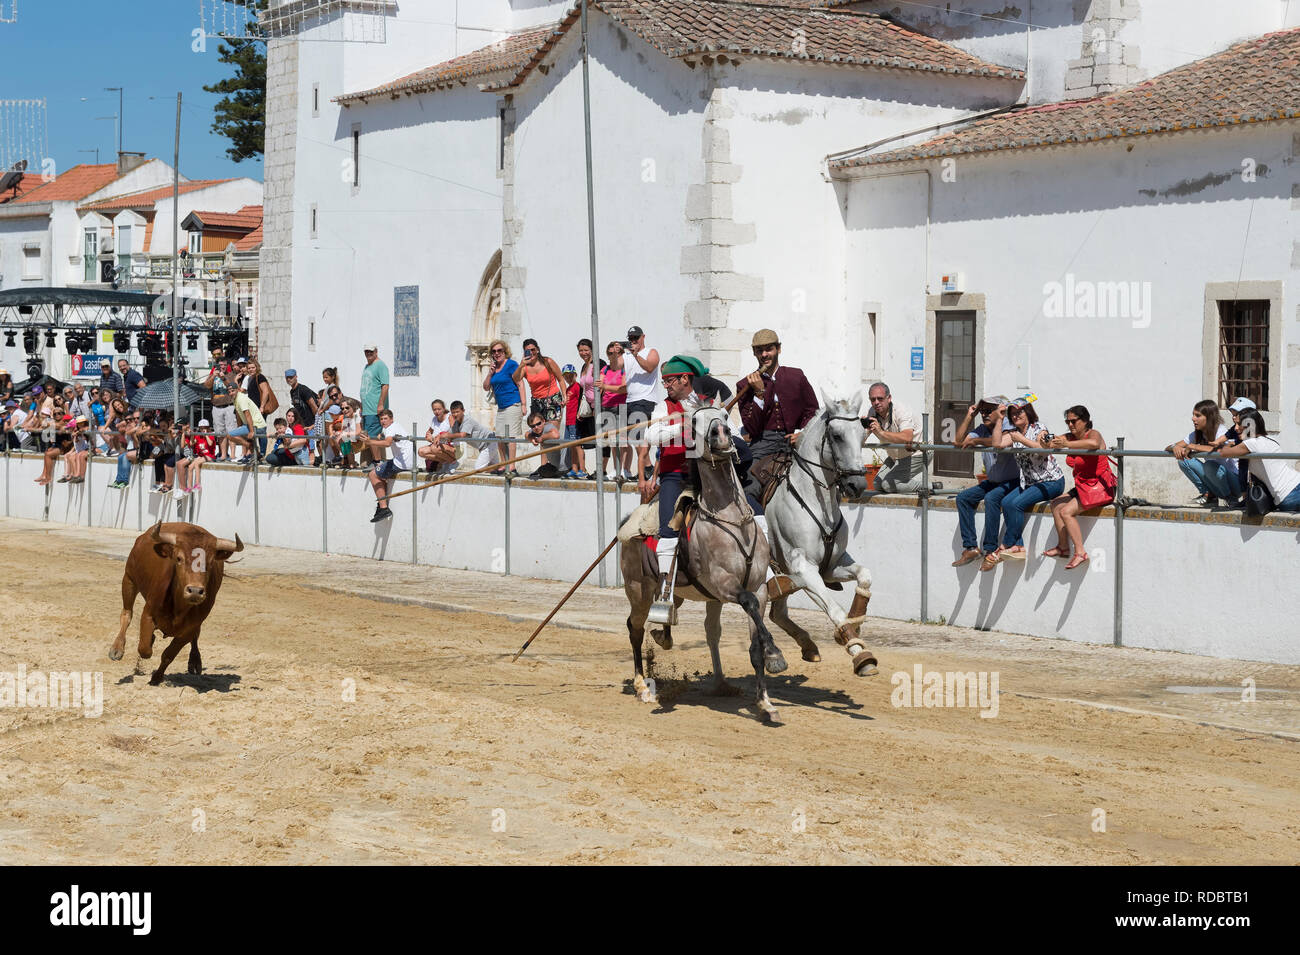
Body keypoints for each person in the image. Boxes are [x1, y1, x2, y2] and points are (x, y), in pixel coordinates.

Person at [639, 355, 708, 605]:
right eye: (664, 381)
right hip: (675, 477)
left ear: (684, 379)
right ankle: (666, 595)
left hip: (706, 477)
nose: (665, 386)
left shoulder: (706, 403)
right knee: (668, 531)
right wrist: (681, 426)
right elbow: (652, 434)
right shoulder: (662, 407)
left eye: (669, 381)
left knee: (749, 513)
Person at [734, 328, 818, 498]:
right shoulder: (744, 385)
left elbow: (812, 411)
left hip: (798, 441)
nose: (764, 354)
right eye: (759, 350)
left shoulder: (796, 376)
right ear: (754, 353)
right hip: (762, 445)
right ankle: (759, 523)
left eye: (769, 349)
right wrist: (759, 393)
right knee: (749, 489)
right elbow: (752, 427)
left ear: (778, 349)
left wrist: (802, 434)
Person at [990, 399, 1066, 569]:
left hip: (1051, 481)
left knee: (1016, 504)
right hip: (1031, 483)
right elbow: (996, 444)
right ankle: (1018, 546)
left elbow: (1043, 448)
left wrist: (1021, 440)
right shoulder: (1013, 433)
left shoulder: (1038, 428)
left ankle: (1007, 544)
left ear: (1028, 413)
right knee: (1006, 502)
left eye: (1020, 412)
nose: (1016, 416)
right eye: (1012, 414)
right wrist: (1000, 419)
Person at [1045, 405, 1116, 568]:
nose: (1070, 425)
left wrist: (1066, 444)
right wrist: (1048, 440)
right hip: (1083, 485)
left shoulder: (1093, 433)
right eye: (1067, 422)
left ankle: (1080, 552)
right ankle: (1063, 547)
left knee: (1066, 512)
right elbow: (1051, 444)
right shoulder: (1070, 437)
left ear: (1085, 421)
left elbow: (1093, 444)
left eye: (1074, 421)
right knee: (1055, 504)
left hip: (1099, 487)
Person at [952, 399, 1019, 567]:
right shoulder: (982, 429)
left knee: (991, 499)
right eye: (982, 411)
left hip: (1013, 481)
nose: (984, 414)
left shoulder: (1009, 426)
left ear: (1000, 411)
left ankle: (990, 550)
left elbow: (1001, 443)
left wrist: (978, 441)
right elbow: (958, 441)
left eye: (989, 410)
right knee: (963, 498)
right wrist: (969, 416)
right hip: (993, 480)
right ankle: (971, 547)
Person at [1218, 410, 1300, 511]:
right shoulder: (1271, 440)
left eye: (1239, 424)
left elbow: (1223, 453)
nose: (1235, 428)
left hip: (1288, 495)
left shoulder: (1251, 443)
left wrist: (1229, 444)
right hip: (1294, 485)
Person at [1166, 399, 1240, 507]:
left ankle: (1231, 499)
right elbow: (1168, 447)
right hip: (1216, 481)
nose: (1193, 418)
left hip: (1234, 483)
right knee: (1184, 460)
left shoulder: (1222, 432)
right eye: (1193, 415)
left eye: (1197, 415)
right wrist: (1175, 447)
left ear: (1209, 417)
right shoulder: (1197, 434)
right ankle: (1208, 495)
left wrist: (1193, 446)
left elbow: (1222, 450)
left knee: (1210, 465)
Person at [512, 338, 565, 471]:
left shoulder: (548, 362)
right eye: (528, 350)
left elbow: (561, 379)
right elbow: (515, 379)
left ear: (538, 349)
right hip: (537, 402)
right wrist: (520, 365)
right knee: (539, 432)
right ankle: (544, 466)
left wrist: (564, 396)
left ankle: (555, 465)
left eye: (533, 349)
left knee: (551, 432)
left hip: (553, 399)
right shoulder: (525, 367)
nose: (531, 352)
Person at [863, 381, 923, 492]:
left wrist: (881, 433)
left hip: (917, 452)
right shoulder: (872, 412)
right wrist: (859, 429)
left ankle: (929, 487)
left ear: (889, 398)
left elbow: (907, 437)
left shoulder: (901, 410)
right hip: (896, 455)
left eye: (880, 399)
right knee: (876, 484)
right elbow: (862, 439)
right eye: (873, 399)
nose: (876, 402)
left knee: (888, 485)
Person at [359, 408, 412, 522]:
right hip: (406, 461)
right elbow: (385, 436)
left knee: (373, 474)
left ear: (391, 419)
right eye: (381, 419)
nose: (383, 421)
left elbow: (387, 443)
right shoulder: (393, 427)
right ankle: (382, 502)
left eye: (385, 419)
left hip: (401, 463)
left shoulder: (391, 428)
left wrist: (369, 442)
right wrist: (380, 435)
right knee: (380, 471)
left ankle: (383, 508)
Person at [622, 325, 661, 470]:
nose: (633, 341)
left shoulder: (651, 352)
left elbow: (650, 367)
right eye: (630, 339)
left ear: (643, 337)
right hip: (630, 400)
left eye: (635, 338)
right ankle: (647, 466)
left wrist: (635, 355)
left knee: (638, 436)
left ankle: (648, 466)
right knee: (633, 437)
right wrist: (613, 353)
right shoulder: (626, 356)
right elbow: (615, 366)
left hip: (645, 399)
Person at [483, 339, 522, 474]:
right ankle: (503, 464)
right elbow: (486, 387)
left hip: (513, 403)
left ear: (505, 351)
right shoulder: (494, 368)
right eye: (494, 351)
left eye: (499, 350)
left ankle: (511, 466)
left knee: (510, 436)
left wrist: (523, 405)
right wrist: (490, 373)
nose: (497, 353)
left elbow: (520, 383)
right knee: (499, 436)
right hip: (501, 407)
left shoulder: (511, 364)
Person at [596, 341, 632, 481]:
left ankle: (624, 469)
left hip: (620, 406)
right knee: (612, 440)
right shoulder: (605, 369)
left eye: (616, 353)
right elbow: (599, 387)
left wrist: (605, 386)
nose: (613, 356)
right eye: (610, 353)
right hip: (606, 406)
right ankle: (617, 468)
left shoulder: (625, 369)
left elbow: (623, 388)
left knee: (622, 440)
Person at [573, 339, 602, 479]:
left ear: (592, 349)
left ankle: (603, 470)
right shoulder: (584, 366)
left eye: (586, 350)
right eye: (580, 350)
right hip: (588, 407)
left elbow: (602, 384)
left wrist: (598, 405)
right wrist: (581, 409)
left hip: (599, 406)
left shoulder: (599, 363)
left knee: (602, 438)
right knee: (590, 439)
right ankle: (594, 469)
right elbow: (584, 390)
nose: (583, 353)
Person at [445, 400, 500, 470]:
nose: (455, 414)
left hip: (489, 443)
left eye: (457, 412)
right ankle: (498, 470)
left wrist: (447, 435)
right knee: (496, 467)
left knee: (478, 468)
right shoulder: (456, 423)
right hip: (484, 446)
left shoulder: (467, 420)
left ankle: (498, 470)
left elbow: (462, 435)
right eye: (453, 413)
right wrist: (439, 436)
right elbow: (450, 436)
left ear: (463, 411)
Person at [359, 343, 390, 460]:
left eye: (371, 351)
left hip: (374, 408)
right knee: (366, 436)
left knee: (372, 436)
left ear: (376, 351)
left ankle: (377, 462)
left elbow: (385, 386)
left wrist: (381, 404)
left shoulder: (380, 365)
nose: (368, 353)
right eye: (366, 351)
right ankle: (372, 461)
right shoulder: (367, 366)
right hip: (367, 409)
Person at [175, 420, 217, 496]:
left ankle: (198, 484)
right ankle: (189, 487)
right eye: (201, 428)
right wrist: (190, 435)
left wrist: (206, 434)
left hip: (210, 456)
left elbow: (210, 444)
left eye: (205, 428)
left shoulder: (210, 434)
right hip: (201, 456)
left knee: (197, 463)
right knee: (190, 467)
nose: (203, 429)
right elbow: (191, 443)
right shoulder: (198, 436)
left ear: (208, 428)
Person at [229, 385, 267, 464]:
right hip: (252, 425)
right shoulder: (236, 399)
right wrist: (240, 427)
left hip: (257, 425)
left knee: (230, 435)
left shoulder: (241, 399)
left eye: (232, 391)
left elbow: (247, 414)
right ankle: (256, 453)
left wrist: (251, 431)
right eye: (229, 391)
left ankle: (251, 448)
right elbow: (239, 415)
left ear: (238, 390)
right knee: (237, 435)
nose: (231, 393)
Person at [418, 399, 458, 475]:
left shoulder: (450, 417)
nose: (437, 411)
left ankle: (453, 462)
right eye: (434, 410)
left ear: (443, 408)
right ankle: (445, 462)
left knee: (434, 448)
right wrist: (428, 436)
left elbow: (455, 432)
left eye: (439, 409)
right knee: (421, 451)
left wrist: (440, 436)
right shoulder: (434, 420)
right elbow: (429, 432)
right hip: (439, 447)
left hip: (453, 447)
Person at [560, 363, 584, 478]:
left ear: (575, 375)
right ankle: (574, 469)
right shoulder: (569, 388)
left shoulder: (577, 386)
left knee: (578, 445)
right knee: (571, 445)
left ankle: (582, 469)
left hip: (575, 421)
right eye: (566, 376)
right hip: (568, 421)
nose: (568, 378)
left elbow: (581, 401)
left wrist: (579, 413)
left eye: (570, 375)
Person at [524, 411, 562, 479]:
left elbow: (556, 435)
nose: (536, 427)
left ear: (543, 421)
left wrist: (541, 438)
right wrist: (532, 438)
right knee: (540, 472)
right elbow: (526, 434)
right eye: (532, 426)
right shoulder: (537, 430)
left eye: (538, 424)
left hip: (562, 467)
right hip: (555, 466)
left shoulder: (547, 427)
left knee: (540, 472)